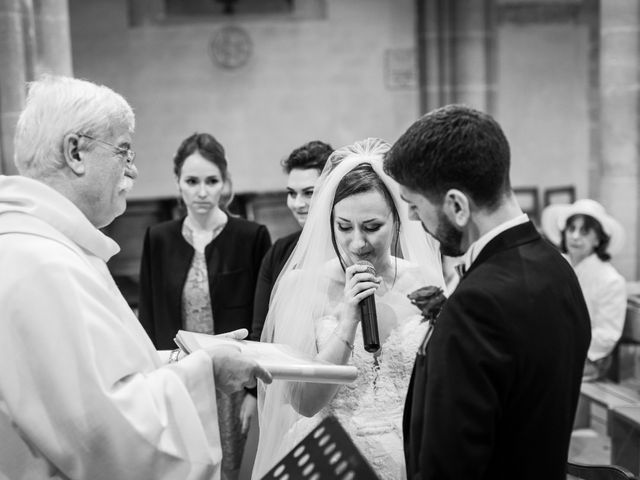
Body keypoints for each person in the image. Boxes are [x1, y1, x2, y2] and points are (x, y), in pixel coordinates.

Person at [0, 75, 271, 480]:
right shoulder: (42, 264)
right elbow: (109, 435)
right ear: (76, 152)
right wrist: (205, 371)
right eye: (123, 152)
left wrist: (184, 359)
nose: (133, 170)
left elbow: (105, 375)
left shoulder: (45, 246)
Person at [384, 104, 591, 479]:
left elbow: (451, 461)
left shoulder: (478, 303)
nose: (412, 218)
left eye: (415, 206)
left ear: (457, 206)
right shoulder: (556, 267)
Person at [252, 138, 445, 479]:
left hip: (410, 456)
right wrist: (347, 322)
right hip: (333, 458)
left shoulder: (424, 282)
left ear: (397, 220)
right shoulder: (302, 286)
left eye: (372, 227)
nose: (357, 242)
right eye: (344, 227)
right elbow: (304, 403)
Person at [138, 132, 272, 480]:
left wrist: (254, 393)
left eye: (211, 181)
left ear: (225, 183)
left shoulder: (251, 236)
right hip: (179, 376)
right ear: (178, 183)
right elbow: (150, 316)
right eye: (192, 181)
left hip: (233, 382)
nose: (201, 192)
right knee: (185, 465)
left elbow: (264, 318)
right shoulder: (158, 238)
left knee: (232, 466)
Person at [250, 140, 333, 342]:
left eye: (308, 193)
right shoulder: (279, 251)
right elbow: (260, 332)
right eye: (291, 193)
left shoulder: (353, 248)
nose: (297, 204)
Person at [542, 199, 627, 381]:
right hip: (554, 349)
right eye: (571, 229)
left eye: (584, 231)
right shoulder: (556, 266)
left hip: (589, 359)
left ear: (598, 239)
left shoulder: (611, 280)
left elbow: (606, 335)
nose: (575, 236)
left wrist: (563, 345)